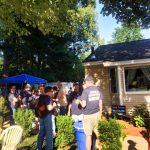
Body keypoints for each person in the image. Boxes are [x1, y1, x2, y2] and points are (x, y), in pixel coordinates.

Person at [76, 75, 103, 150]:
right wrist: (100, 115)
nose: (84, 83)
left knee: (88, 135)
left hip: (88, 116)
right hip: (97, 114)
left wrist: (79, 101)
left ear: (87, 82)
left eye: (85, 82)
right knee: (99, 133)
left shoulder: (86, 91)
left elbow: (83, 105)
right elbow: (100, 104)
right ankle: (101, 147)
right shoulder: (98, 90)